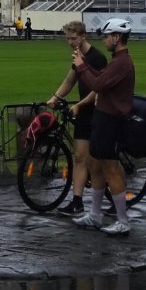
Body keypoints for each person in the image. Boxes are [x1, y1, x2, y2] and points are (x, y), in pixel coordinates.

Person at [73, 17, 136, 235]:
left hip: (111, 120)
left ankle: (122, 220)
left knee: (111, 169)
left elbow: (98, 84)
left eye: (107, 36)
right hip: (103, 118)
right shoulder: (117, 61)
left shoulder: (122, 63)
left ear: (117, 37)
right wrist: (84, 64)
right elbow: (101, 77)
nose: (105, 40)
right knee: (95, 164)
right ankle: (95, 215)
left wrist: (82, 67)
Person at [49, 20, 103, 216]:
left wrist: (80, 104)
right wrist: (55, 98)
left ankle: (114, 198)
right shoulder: (78, 57)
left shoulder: (97, 58)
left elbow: (99, 88)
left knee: (101, 161)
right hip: (83, 112)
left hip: (97, 112)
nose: (70, 42)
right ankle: (77, 202)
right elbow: (70, 80)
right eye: (68, 39)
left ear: (83, 36)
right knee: (79, 157)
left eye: (73, 38)